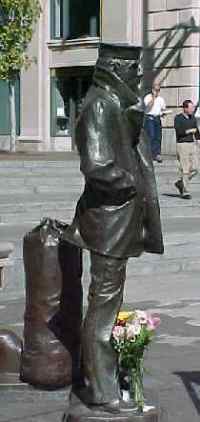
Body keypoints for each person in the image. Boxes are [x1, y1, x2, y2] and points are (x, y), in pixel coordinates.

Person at [63, 43, 164, 414]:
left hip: (116, 222)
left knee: (107, 303)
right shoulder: (99, 105)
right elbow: (97, 165)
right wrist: (130, 184)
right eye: (134, 72)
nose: (138, 78)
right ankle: (102, 392)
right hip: (108, 222)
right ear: (117, 70)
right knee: (103, 308)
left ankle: (103, 381)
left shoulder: (112, 103)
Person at [174, 99, 200, 199]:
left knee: (196, 169)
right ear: (185, 108)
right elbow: (179, 131)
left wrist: (198, 139)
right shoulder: (178, 118)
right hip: (182, 145)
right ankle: (185, 191)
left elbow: (196, 131)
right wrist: (189, 131)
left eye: (193, 107)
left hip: (192, 145)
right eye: (191, 108)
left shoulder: (192, 118)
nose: (193, 109)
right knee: (185, 169)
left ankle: (181, 183)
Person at [144, 83, 166, 163]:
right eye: (156, 90)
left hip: (157, 118)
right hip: (150, 118)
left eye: (158, 90)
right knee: (151, 136)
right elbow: (148, 108)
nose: (157, 92)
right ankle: (150, 154)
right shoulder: (147, 97)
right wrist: (153, 98)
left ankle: (157, 154)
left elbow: (163, 109)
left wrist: (164, 113)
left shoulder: (161, 99)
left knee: (158, 136)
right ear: (152, 90)